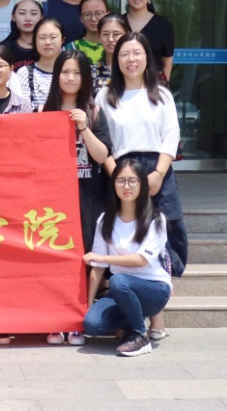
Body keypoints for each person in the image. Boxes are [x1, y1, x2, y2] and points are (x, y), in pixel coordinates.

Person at [98, 31, 187, 314]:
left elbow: (171, 135)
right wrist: (117, 176)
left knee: (166, 225)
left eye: (137, 53)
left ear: (147, 57)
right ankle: (125, 303)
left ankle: (158, 300)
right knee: (123, 229)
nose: (131, 59)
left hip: (156, 167)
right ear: (116, 59)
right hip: (120, 170)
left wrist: (158, 174)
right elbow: (102, 142)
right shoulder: (105, 95)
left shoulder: (161, 94)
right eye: (124, 54)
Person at [42, 48, 112, 346]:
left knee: (82, 258)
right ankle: (55, 320)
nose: (70, 78)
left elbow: (102, 155)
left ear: (85, 78)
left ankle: (75, 321)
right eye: (65, 72)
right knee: (53, 258)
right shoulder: (44, 112)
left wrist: (83, 127)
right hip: (52, 200)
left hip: (87, 198)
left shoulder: (94, 112)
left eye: (76, 73)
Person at [82, 156, 174, 357]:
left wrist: (104, 259)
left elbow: (140, 260)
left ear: (142, 184)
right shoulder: (105, 220)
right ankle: (130, 324)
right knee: (92, 324)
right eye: (121, 180)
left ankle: (139, 335)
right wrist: (88, 306)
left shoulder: (155, 219)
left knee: (119, 280)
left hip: (154, 290)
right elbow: (97, 267)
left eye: (132, 181)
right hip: (121, 291)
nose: (126, 186)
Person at [124, 0, 175, 82]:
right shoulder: (119, 23)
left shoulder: (163, 25)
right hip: (123, 85)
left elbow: (167, 62)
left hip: (154, 85)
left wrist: (163, 87)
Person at [9, 17, 65, 110]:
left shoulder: (72, 72)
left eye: (53, 37)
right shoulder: (25, 73)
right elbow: (22, 110)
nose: (48, 42)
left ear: (62, 40)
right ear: (34, 41)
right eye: (42, 38)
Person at [2, 0, 44, 71]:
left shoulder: (48, 47)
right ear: (13, 16)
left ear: (42, 17)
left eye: (33, 13)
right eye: (22, 13)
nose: (28, 18)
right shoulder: (3, 49)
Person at [66, 0, 110, 69]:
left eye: (98, 13)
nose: (93, 19)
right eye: (87, 14)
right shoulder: (70, 48)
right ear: (81, 18)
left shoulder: (116, 46)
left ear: (107, 15)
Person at [94, 12, 131, 92]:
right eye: (105, 34)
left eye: (116, 34)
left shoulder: (134, 68)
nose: (110, 39)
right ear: (99, 37)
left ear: (127, 35)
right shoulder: (92, 71)